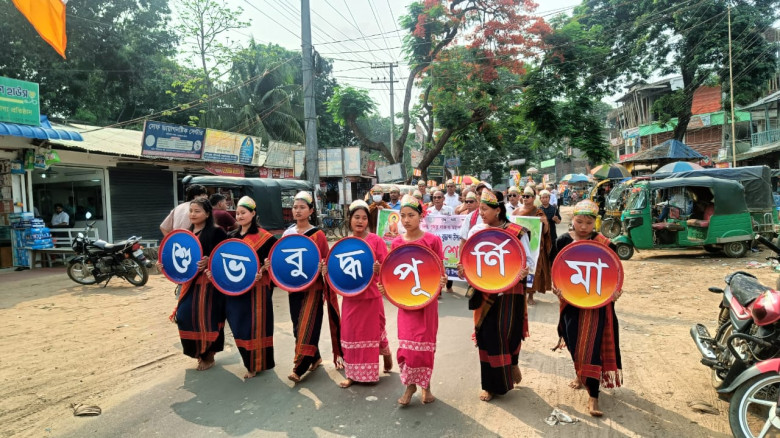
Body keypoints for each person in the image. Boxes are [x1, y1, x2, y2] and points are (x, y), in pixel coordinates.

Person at [458, 190, 533, 402]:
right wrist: (463, 268)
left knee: (509, 332)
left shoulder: (517, 232)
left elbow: (528, 261)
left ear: (497, 210)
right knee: (487, 336)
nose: (480, 213)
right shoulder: (477, 231)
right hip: (485, 291)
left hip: (511, 291)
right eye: (479, 208)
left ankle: (512, 363)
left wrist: (524, 270)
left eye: (484, 209)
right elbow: (470, 259)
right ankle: (490, 385)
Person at [551, 200, 623, 417]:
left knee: (591, 345)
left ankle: (593, 396)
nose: (583, 226)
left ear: (595, 222)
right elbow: (556, 268)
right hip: (571, 301)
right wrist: (556, 288)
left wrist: (616, 292)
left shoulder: (605, 244)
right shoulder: (563, 240)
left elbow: (615, 272)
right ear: (572, 220)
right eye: (579, 221)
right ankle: (580, 373)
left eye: (589, 222)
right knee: (573, 341)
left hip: (597, 303)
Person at [379, 194, 446, 406]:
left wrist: (441, 281)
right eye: (403, 216)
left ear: (420, 216)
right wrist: (385, 286)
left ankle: (426, 386)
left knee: (425, 345)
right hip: (405, 303)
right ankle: (409, 386)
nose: (406, 220)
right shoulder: (397, 242)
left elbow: (438, 271)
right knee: (407, 346)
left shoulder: (432, 240)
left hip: (427, 302)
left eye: (411, 215)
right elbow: (393, 272)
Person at [324, 200, 392, 388]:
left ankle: (379, 363)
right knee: (350, 334)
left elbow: (387, 267)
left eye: (364, 218)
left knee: (372, 332)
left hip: (371, 296)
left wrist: (379, 268)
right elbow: (335, 270)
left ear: (368, 221)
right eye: (356, 217)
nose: (360, 221)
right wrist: (325, 269)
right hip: (351, 297)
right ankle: (352, 374)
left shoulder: (376, 241)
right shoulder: (343, 244)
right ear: (350, 220)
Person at [210, 196, 277, 379]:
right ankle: (249, 359)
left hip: (257, 291)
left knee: (255, 326)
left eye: (243, 213)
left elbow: (272, 264)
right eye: (237, 213)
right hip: (234, 291)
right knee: (238, 324)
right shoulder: (230, 237)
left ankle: (255, 364)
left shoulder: (267, 238)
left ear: (253, 214)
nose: (239, 216)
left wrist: (264, 269)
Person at [283, 191, 343, 383]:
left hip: (313, 288)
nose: (297, 211)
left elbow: (327, 260)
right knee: (297, 326)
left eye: (302, 207)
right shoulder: (288, 234)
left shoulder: (318, 235)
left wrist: (323, 267)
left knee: (308, 324)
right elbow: (282, 261)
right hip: (294, 288)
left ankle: (299, 368)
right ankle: (315, 357)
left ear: (310, 210)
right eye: (295, 207)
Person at [164, 198, 228, 372]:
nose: (192, 214)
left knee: (208, 320)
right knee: (185, 317)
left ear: (207, 214)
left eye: (197, 211)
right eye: (191, 211)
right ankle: (198, 352)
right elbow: (175, 258)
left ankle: (209, 355)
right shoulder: (186, 235)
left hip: (210, 285)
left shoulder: (217, 232)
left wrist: (210, 260)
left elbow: (226, 257)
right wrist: (164, 263)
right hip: (190, 284)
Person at [512, 186, 552, 306]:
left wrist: (545, 223)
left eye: (528, 196)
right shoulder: (516, 212)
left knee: (534, 269)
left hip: (534, 245)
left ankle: (531, 295)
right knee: (518, 268)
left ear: (534, 198)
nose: (525, 198)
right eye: (523, 196)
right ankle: (519, 294)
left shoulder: (538, 212)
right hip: (520, 244)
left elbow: (545, 232)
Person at [539, 190, 562, 255]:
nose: (545, 199)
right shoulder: (538, 210)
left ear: (549, 198)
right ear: (540, 199)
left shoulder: (554, 209)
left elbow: (559, 221)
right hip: (542, 234)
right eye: (543, 198)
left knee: (552, 251)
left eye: (546, 197)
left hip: (552, 233)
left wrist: (556, 219)